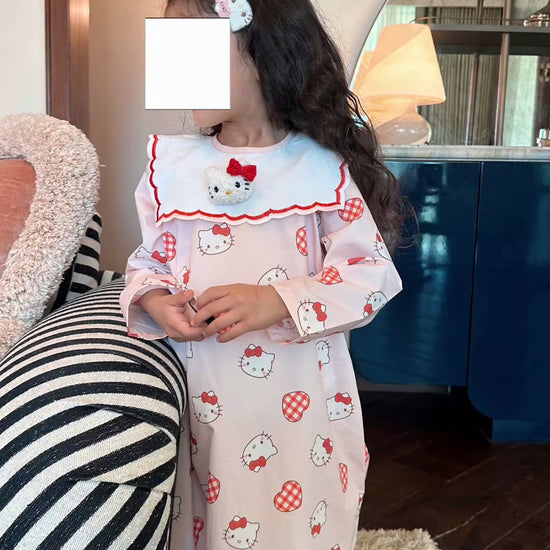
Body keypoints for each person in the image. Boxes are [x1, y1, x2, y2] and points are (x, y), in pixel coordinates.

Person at [119, 0, 410, 548]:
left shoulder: (320, 168)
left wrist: (277, 299)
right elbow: (147, 262)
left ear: (261, 53)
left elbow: (370, 274)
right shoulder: (172, 168)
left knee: (295, 527)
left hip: (301, 410)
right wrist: (156, 300)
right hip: (202, 405)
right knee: (206, 522)